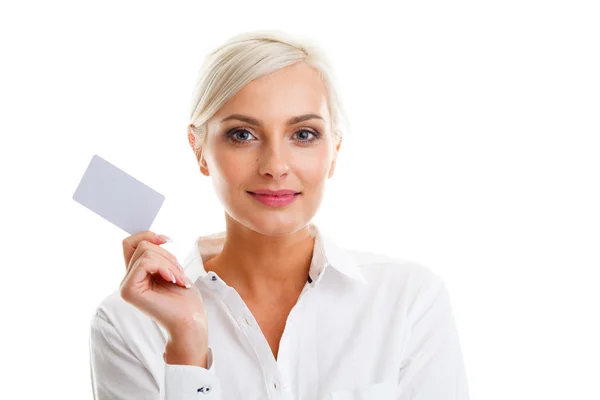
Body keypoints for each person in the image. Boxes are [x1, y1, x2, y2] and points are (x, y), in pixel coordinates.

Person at [89, 29, 470, 400]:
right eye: (243, 134)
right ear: (199, 148)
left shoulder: (408, 302)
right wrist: (187, 346)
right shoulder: (127, 324)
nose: (275, 166)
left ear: (334, 149)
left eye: (303, 134)